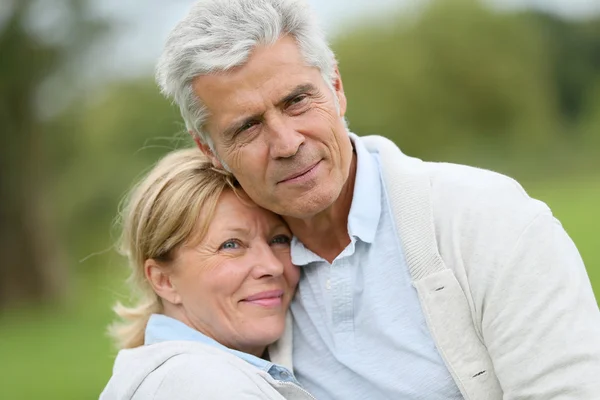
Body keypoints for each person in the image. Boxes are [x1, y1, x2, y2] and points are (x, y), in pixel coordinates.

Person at [156, 0, 600, 398]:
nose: (287, 143)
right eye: (247, 127)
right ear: (209, 150)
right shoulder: (249, 287)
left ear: (336, 87)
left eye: (296, 101)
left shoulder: (487, 218)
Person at [100, 148, 315, 399]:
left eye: (279, 239)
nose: (272, 266)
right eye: (231, 245)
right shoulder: (206, 387)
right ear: (164, 280)